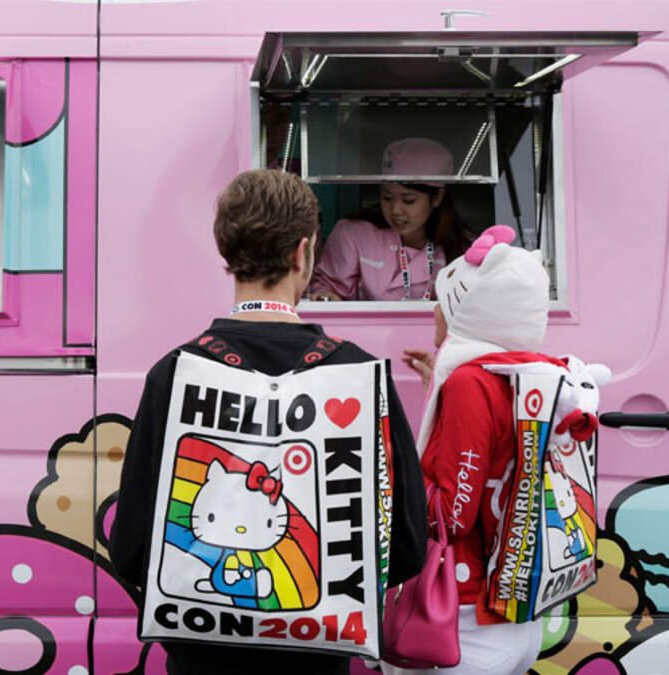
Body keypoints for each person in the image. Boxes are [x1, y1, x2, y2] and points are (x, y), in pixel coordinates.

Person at [109, 169, 428, 675]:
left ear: (227, 254)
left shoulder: (173, 374)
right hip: (318, 660)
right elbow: (407, 547)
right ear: (304, 252)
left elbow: (130, 549)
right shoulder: (359, 376)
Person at [387, 225, 558, 675]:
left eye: (441, 302)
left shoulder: (468, 384)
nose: (433, 312)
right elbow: (492, 453)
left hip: (464, 619)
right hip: (513, 613)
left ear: (467, 309)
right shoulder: (522, 374)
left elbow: (453, 512)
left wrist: (392, 469)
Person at [309, 137, 472, 302]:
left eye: (408, 200)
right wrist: (327, 296)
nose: (395, 210)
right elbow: (327, 287)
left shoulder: (462, 247)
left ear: (437, 198)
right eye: (387, 197)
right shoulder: (353, 235)